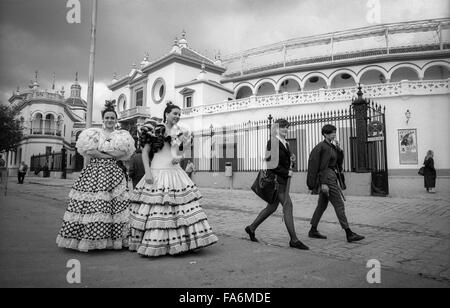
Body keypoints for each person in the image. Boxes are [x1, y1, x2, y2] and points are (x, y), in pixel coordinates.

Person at [128, 102, 218, 257]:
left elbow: (181, 151)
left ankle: (184, 242)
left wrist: (180, 157)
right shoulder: (154, 129)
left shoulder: (181, 132)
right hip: (157, 172)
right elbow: (145, 153)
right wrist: (148, 173)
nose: (177, 116)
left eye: (179, 114)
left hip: (175, 173)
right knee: (159, 209)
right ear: (166, 114)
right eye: (174, 113)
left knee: (180, 209)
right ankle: (158, 243)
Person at [56, 100, 136, 252]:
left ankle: (112, 240)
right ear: (103, 119)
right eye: (107, 117)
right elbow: (90, 151)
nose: (110, 120)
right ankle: (89, 237)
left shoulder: (122, 136)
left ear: (116, 120)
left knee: (114, 206)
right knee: (94, 204)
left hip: (114, 174)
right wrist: (109, 155)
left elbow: (122, 153)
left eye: (112, 118)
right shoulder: (93, 133)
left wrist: (101, 153)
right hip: (94, 173)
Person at [245, 118, 309, 250]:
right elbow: (271, 163)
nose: (285, 129)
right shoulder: (272, 142)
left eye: (286, 127)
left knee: (272, 208)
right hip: (276, 181)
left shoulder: (286, 143)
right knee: (288, 206)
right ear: (276, 129)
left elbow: (285, 162)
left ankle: (251, 228)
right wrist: (286, 172)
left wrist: (292, 160)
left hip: (282, 180)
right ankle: (294, 240)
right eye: (282, 127)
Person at [307, 124, 365, 243]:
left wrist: (339, 149)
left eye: (334, 132)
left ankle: (313, 230)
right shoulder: (321, 147)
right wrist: (323, 183)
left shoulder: (331, 146)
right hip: (327, 177)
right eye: (331, 132)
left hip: (331, 176)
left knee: (322, 205)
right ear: (324, 134)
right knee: (339, 204)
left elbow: (338, 162)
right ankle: (349, 233)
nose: (334, 134)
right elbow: (321, 166)